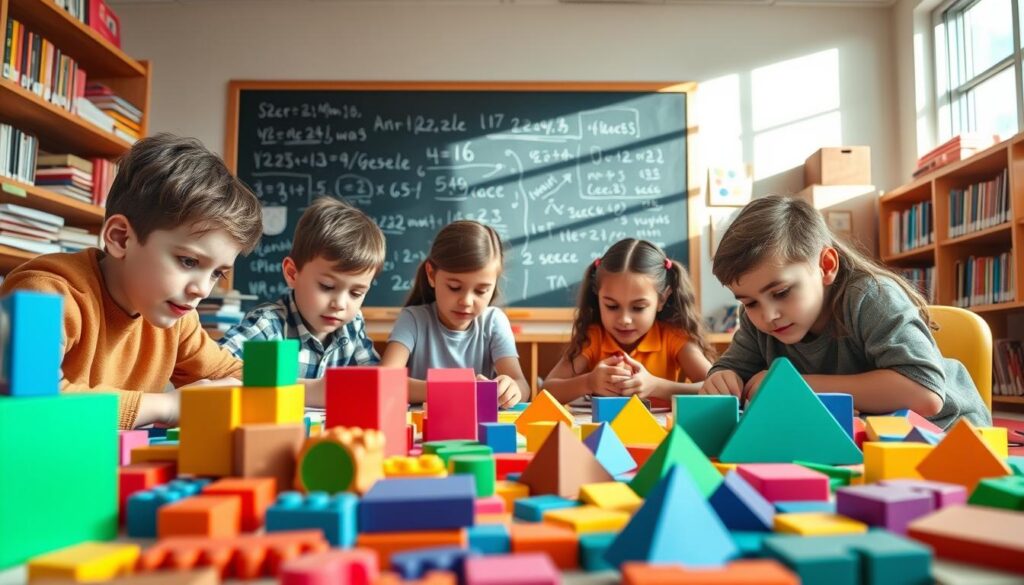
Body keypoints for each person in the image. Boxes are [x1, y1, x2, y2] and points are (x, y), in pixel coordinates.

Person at [0, 133, 263, 429]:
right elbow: (33, 405)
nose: (201, 289)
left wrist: (314, 389)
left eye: (217, 273)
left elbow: (237, 375)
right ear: (121, 238)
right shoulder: (46, 294)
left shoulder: (175, 317)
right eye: (188, 261)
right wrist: (166, 406)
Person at [701, 195, 990, 429]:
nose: (768, 315)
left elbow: (925, 394)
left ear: (826, 266)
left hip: (947, 435)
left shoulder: (870, 297)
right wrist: (723, 377)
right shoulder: (757, 322)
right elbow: (733, 370)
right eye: (749, 302)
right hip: (861, 440)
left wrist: (794, 385)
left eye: (781, 293)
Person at [219, 196, 385, 406]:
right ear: (292, 273)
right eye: (326, 286)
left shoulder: (352, 324)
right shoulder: (268, 324)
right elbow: (216, 369)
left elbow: (373, 379)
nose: (340, 304)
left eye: (356, 293)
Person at [544, 238, 713, 407]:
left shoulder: (674, 337)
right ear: (597, 297)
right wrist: (588, 382)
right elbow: (546, 391)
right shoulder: (593, 337)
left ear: (662, 299)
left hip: (663, 432)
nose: (624, 319)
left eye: (638, 308)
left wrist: (657, 386)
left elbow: (715, 389)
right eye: (612, 306)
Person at [380, 220, 527, 408]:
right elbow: (385, 381)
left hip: (476, 431)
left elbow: (521, 385)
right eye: (454, 287)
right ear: (432, 275)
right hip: (422, 430)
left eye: (481, 291)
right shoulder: (413, 319)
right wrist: (452, 389)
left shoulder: (494, 321)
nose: (466, 301)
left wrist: (511, 389)